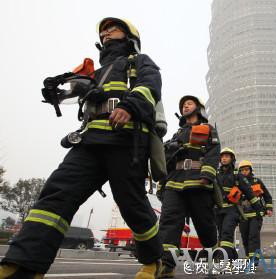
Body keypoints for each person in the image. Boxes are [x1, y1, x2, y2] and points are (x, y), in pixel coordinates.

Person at [0, 17, 163, 279]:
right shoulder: (95, 73)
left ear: (130, 36)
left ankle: (155, 261)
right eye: (103, 32)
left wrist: (129, 106)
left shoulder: (139, 62)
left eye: (113, 29)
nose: (107, 34)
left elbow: (149, 88)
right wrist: (58, 91)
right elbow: (75, 90)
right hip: (90, 141)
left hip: (127, 141)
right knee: (55, 194)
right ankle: (23, 264)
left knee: (132, 205)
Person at [157, 95, 220, 278]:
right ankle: (167, 265)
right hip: (175, 183)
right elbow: (167, 162)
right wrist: (162, 183)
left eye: (189, 104)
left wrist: (207, 174)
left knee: (205, 225)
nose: (185, 106)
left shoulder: (207, 129)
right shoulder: (177, 134)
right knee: (168, 224)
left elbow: (214, 152)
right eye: (183, 105)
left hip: (198, 183)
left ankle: (213, 257)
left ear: (198, 108)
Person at [215, 148, 262, 260]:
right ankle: (232, 257)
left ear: (232, 159)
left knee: (227, 233)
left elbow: (249, 192)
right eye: (222, 156)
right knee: (221, 235)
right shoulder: (215, 174)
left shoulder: (237, 175)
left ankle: (223, 260)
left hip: (232, 209)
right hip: (218, 209)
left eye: (227, 156)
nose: (224, 158)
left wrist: (259, 209)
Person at [238, 160, 273, 266]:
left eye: (246, 169)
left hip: (256, 215)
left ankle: (254, 259)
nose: (244, 172)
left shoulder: (257, 181)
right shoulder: (237, 183)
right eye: (242, 170)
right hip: (243, 216)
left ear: (250, 170)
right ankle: (249, 258)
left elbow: (267, 196)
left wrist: (269, 208)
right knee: (245, 238)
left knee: (253, 236)